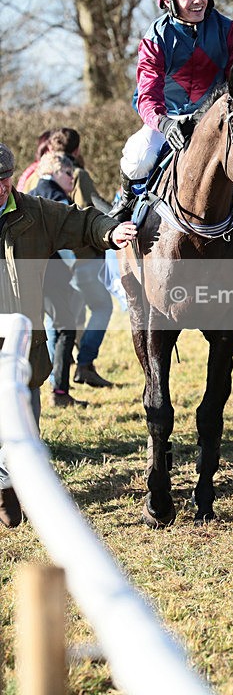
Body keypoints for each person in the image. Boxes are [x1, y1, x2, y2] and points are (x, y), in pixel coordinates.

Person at [0, 142, 137, 529]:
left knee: (25, 425)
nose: (0, 188)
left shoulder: (34, 212)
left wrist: (110, 231)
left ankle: (10, 484)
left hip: (24, 345)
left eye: (4, 180)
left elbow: (79, 221)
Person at [109, 0, 233, 221]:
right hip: (169, 119)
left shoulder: (228, 30)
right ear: (169, 0)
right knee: (138, 156)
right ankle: (126, 206)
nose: (199, 0)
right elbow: (147, 96)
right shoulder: (156, 38)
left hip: (216, 118)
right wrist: (165, 125)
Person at [47, 128, 115, 387]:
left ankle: (57, 378)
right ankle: (85, 363)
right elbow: (93, 207)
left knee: (60, 320)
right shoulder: (78, 174)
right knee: (102, 307)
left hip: (52, 263)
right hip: (82, 258)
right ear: (76, 150)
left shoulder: (35, 176)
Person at [28, 151, 87, 407]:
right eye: (67, 174)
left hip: (35, 275)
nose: (71, 180)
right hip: (50, 274)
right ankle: (59, 393)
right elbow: (65, 238)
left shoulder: (34, 193)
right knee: (64, 328)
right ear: (53, 171)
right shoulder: (52, 195)